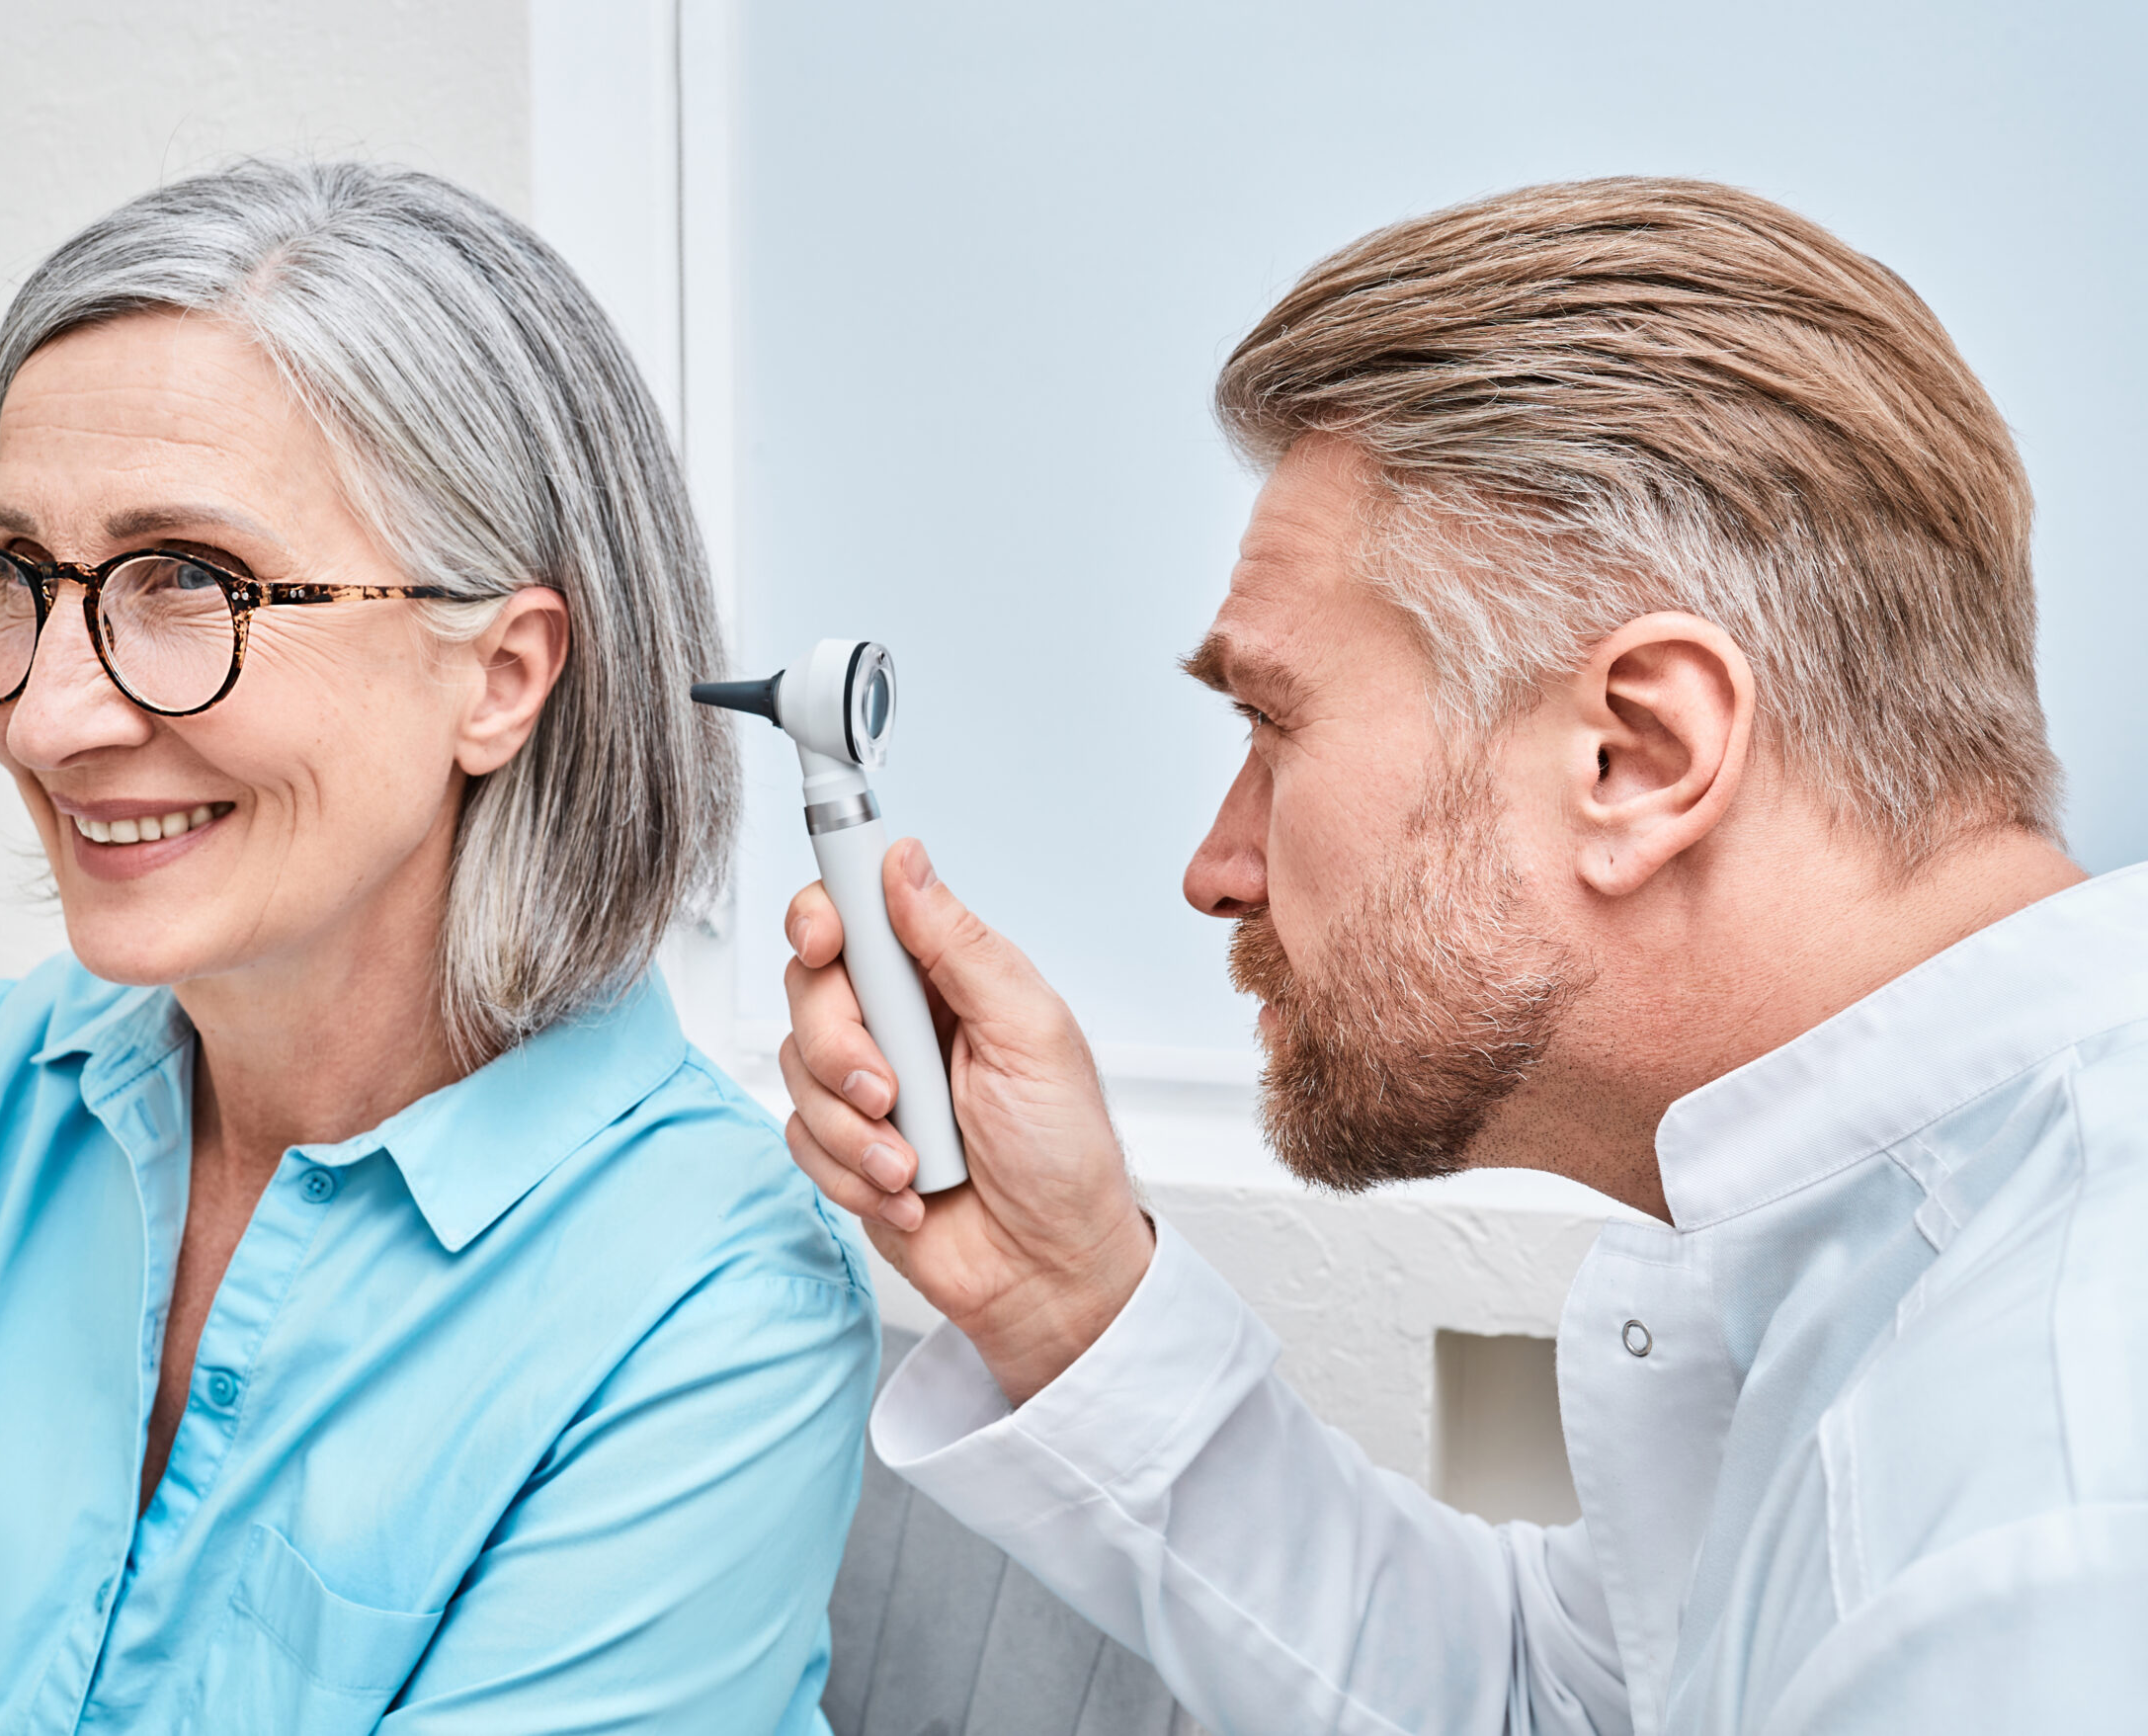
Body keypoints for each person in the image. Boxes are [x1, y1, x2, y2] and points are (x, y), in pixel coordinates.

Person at [777, 178, 2148, 1733]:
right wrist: (1066, 1298)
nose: (1217, 870)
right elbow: (1545, 1706)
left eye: (1273, 725)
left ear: (1640, 755)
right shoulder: (1815, 1230)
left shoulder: (2046, 1526)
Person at [0, 161, 877, 1734]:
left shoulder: (712, 1306)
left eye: (186, 584)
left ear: (500, 673)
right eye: (19, 578)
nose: (44, 714)